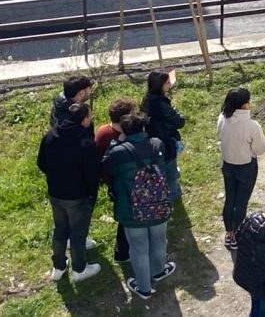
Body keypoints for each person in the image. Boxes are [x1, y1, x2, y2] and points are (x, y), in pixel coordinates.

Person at [102, 112, 176, 300]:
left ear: (124, 131)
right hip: (158, 205)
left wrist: (114, 144)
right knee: (159, 241)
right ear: (143, 128)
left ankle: (143, 288)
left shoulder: (118, 152)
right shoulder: (157, 144)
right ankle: (159, 271)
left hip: (132, 210)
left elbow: (104, 168)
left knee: (138, 249)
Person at [38, 102, 101, 283]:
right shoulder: (85, 143)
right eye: (90, 116)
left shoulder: (51, 135)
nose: (91, 119)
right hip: (77, 196)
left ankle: (58, 267)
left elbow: (41, 162)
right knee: (78, 233)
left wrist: (56, 178)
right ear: (83, 120)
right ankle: (80, 269)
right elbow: (92, 174)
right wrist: (90, 193)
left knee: (60, 229)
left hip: (55, 193)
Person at [218, 88, 265, 251]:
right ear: (245, 105)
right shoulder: (252, 126)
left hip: (228, 165)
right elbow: (259, 150)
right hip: (246, 167)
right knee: (241, 203)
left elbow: (220, 136)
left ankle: (229, 233)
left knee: (230, 199)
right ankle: (238, 236)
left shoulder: (222, 119)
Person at [96, 98, 137, 262]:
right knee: (126, 218)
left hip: (112, 181)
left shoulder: (102, 130)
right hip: (120, 183)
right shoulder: (120, 137)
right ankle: (122, 251)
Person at [141, 69, 185, 203]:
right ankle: (172, 196)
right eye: (167, 83)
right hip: (165, 141)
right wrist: (178, 114)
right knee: (170, 171)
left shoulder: (147, 99)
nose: (169, 85)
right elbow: (179, 121)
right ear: (159, 85)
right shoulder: (161, 104)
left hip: (152, 141)